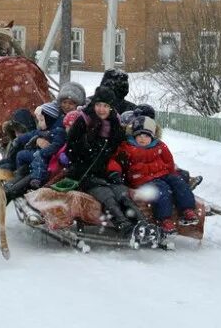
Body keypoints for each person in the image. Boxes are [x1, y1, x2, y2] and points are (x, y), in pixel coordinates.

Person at [63, 86, 156, 242]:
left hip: (106, 171)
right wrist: (85, 159)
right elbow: (70, 150)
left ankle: (142, 224)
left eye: (106, 106)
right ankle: (123, 224)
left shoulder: (114, 124)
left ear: (111, 107)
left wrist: (116, 170)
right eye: (99, 104)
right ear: (93, 104)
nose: (101, 109)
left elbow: (119, 151)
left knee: (122, 194)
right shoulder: (84, 120)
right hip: (83, 172)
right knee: (107, 196)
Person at [115, 115, 198, 235]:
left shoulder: (159, 146)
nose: (142, 139)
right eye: (139, 135)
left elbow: (169, 162)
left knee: (178, 182)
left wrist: (173, 175)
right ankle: (164, 219)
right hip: (142, 179)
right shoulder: (127, 147)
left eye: (146, 136)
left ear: (152, 136)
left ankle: (187, 209)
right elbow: (117, 161)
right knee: (162, 190)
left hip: (162, 174)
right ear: (134, 135)